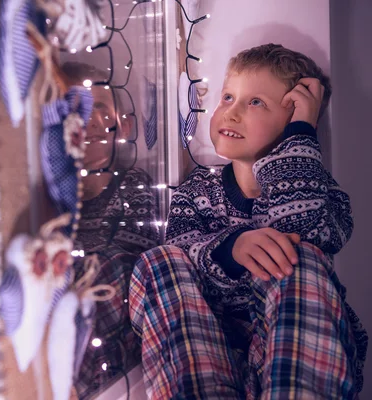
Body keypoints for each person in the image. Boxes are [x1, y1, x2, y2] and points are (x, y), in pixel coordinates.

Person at [129, 43, 368, 399]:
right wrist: (231, 248)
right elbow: (179, 253)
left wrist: (301, 131)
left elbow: (307, 231)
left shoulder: (319, 190)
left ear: (292, 120)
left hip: (287, 357)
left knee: (298, 257)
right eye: (228, 97)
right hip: (210, 354)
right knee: (158, 261)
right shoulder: (197, 191)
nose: (232, 112)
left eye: (255, 102)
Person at [59, 61, 160, 398]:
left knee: (108, 267)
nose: (85, 122)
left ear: (122, 126)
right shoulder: (53, 198)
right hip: (63, 321)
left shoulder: (131, 186)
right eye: (72, 109)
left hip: (113, 337)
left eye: (96, 108)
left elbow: (126, 268)